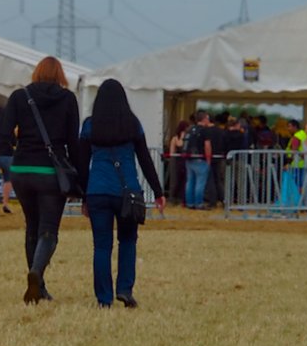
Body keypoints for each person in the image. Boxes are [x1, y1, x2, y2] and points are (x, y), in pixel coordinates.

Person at [0, 56, 81, 304]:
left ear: (36, 72)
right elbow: (73, 142)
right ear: (60, 75)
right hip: (50, 172)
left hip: (22, 169)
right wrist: (80, 177)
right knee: (49, 230)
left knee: (31, 226)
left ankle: (39, 287)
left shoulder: (20, 96)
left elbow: (1, 132)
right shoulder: (68, 99)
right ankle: (36, 272)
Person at [78, 79, 165, 308]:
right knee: (128, 240)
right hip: (127, 192)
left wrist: (83, 196)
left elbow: (82, 163)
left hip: (98, 190)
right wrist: (158, 191)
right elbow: (145, 159)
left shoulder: (90, 125)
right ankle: (125, 289)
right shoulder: (132, 124)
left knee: (101, 246)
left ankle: (104, 298)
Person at [183, 110, 212, 209]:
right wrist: (208, 159)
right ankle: (199, 203)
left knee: (190, 181)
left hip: (189, 158)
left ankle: (189, 203)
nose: (208, 120)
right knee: (200, 183)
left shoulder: (190, 129)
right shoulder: (205, 130)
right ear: (204, 119)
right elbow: (207, 145)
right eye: (208, 118)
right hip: (200, 159)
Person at [166, 120, 189, 205]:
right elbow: (173, 150)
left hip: (184, 161)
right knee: (174, 180)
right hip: (176, 161)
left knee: (184, 180)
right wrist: (182, 137)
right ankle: (172, 198)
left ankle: (182, 198)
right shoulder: (175, 138)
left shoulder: (187, 138)